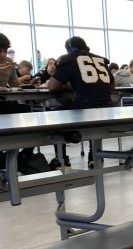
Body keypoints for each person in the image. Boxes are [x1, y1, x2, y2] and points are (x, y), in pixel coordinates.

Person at [48, 36, 114, 168]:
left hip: (83, 107)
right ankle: (94, 156)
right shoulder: (100, 61)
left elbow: (52, 87)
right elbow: (112, 86)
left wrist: (68, 86)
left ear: (69, 50)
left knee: (53, 117)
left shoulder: (68, 60)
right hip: (107, 108)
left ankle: (62, 159)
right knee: (94, 115)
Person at [0, 32, 34, 168]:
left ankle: (22, 153)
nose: (3, 55)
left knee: (30, 113)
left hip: (4, 100)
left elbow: (14, 83)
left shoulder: (8, 62)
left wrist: (30, 84)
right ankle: (0, 154)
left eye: (5, 51)